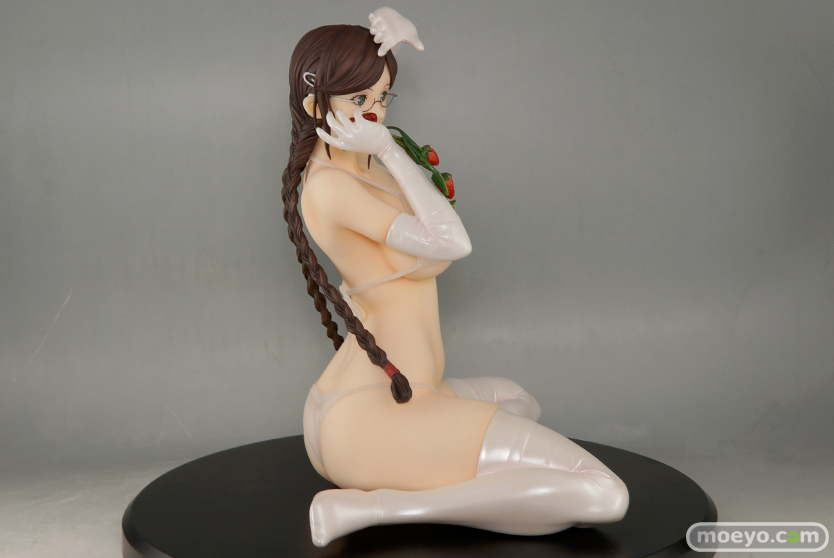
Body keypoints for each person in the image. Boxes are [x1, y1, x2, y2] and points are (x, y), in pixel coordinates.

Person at [279, 8, 629, 547]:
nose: (374, 114)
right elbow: (452, 242)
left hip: (395, 389)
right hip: (369, 419)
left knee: (519, 401)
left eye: (382, 97)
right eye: (358, 99)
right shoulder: (332, 187)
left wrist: (391, 41)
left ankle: (449, 486)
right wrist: (388, 147)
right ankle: (379, 509)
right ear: (313, 105)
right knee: (603, 496)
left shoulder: (365, 167)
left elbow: (429, 214)